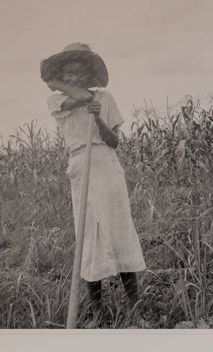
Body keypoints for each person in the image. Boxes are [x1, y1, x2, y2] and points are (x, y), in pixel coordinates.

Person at [40, 42, 145, 324]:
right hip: (79, 165)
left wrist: (98, 119)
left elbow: (115, 142)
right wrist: (56, 83)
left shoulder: (105, 98)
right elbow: (74, 96)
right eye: (67, 73)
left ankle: (135, 310)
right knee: (86, 235)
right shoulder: (55, 100)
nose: (73, 78)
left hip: (105, 164)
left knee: (119, 229)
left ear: (88, 74)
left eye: (79, 72)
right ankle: (97, 313)